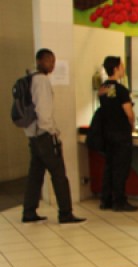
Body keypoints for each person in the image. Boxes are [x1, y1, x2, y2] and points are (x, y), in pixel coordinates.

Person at [22, 48, 86, 225]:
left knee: (35, 174)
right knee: (59, 174)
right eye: (50, 61)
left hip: (33, 136)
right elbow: (43, 111)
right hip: (44, 136)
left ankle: (28, 211)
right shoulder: (41, 81)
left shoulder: (29, 79)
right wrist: (51, 131)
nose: (53, 65)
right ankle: (65, 213)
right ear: (41, 61)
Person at [98, 56, 138, 212]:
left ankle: (106, 199)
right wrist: (132, 125)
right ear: (115, 68)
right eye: (121, 66)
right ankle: (119, 201)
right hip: (121, 134)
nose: (123, 69)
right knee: (121, 169)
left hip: (107, 134)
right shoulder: (121, 90)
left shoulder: (103, 88)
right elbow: (128, 113)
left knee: (109, 167)